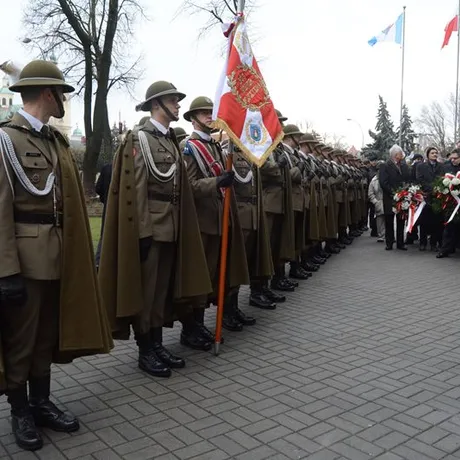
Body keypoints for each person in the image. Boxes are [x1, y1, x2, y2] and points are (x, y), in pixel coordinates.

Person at [0, 60, 112, 451]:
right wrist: (6, 270)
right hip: (26, 260)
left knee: (46, 335)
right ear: (48, 94)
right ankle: (19, 411)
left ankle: (41, 401)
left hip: (59, 256)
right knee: (21, 339)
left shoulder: (54, 141)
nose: (64, 99)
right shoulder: (6, 141)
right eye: (60, 93)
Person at [98, 81, 212, 378]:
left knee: (162, 292)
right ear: (156, 105)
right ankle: (145, 349)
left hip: (173, 225)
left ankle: (158, 343)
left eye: (177, 100)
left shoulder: (170, 140)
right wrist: (143, 232)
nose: (177, 105)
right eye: (173, 100)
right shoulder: (139, 140)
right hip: (153, 227)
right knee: (147, 293)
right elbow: (135, 190)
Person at [182, 96, 250, 331]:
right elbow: (189, 187)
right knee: (201, 276)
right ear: (193, 119)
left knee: (219, 273)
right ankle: (193, 327)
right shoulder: (190, 148)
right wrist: (216, 182)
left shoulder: (214, 146)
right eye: (203, 113)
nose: (209, 117)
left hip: (222, 218)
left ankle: (220, 317)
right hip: (204, 221)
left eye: (211, 113)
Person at [379, 144, 410, 250]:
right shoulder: (385, 166)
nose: (402, 155)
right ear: (394, 154)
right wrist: (394, 193)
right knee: (389, 220)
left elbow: (407, 179)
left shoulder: (404, 166)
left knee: (401, 220)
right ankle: (389, 242)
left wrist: (405, 192)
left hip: (402, 197)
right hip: (390, 197)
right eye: (400, 153)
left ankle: (400, 243)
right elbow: (383, 182)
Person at [416, 147, 444, 251]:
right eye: (432, 153)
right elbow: (420, 179)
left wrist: (438, 188)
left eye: (436, 153)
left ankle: (433, 243)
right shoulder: (421, 166)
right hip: (426, 196)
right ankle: (422, 243)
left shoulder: (441, 166)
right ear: (427, 155)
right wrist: (431, 188)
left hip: (438, 197)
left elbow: (443, 178)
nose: (435, 154)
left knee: (436, 221)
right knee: (424, 221)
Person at [437, 149, 460, 258]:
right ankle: (445, 249)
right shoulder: (446, 167)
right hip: (450, 201)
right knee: (448, 225)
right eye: (451, 158)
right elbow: (441, 181)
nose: (453, 160)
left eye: (455, 158)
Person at [368, 164, 385, 242]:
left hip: (387, 201)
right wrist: (375, 202)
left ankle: (388, 235)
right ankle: (380, 235)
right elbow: (370, 193)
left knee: (388, 219)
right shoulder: (373, 181)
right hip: (378, 201)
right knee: (379, 219)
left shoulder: (387, 178)